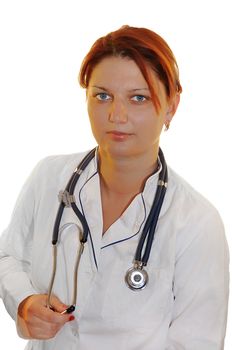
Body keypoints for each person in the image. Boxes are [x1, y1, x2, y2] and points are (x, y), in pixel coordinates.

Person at [0, 25, 229, 350]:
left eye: (139, 98)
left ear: (171, 105)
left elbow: (198, 344)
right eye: (102, 95)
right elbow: (8, 254)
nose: (116, 115)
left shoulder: (196, 221)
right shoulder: (50, 177)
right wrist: (23, 303)